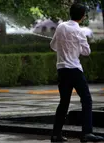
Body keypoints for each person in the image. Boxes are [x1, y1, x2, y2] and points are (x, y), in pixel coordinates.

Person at [50, 3, 104, 142]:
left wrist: (65, 48)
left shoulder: (61, 27)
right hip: (74, 69)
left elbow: (53, 45)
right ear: (82, 16)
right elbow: (87, 52)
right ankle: (86, 133)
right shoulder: (80, 32)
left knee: (64, 102)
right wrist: (76, 48)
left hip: (62, 69)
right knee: (87, 100)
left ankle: (56, 134)